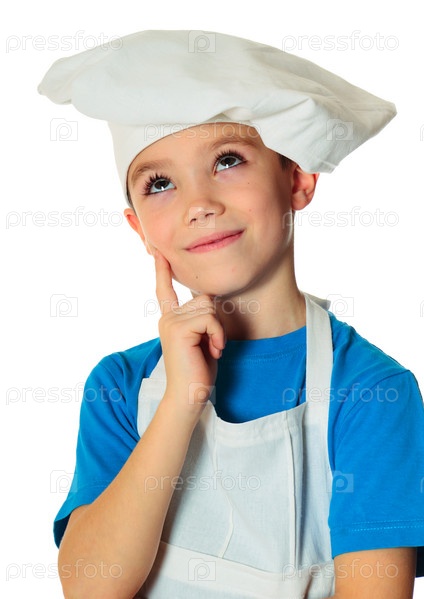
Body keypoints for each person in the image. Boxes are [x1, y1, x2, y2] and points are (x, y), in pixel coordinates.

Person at [38, 30, 424, 598]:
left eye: (227, 161)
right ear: (139, 228)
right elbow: (91, 589)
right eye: (160, 183)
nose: (199, 204)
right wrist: (180, 401)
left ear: (297, 179)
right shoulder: (122, 385)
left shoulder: (370, 391)